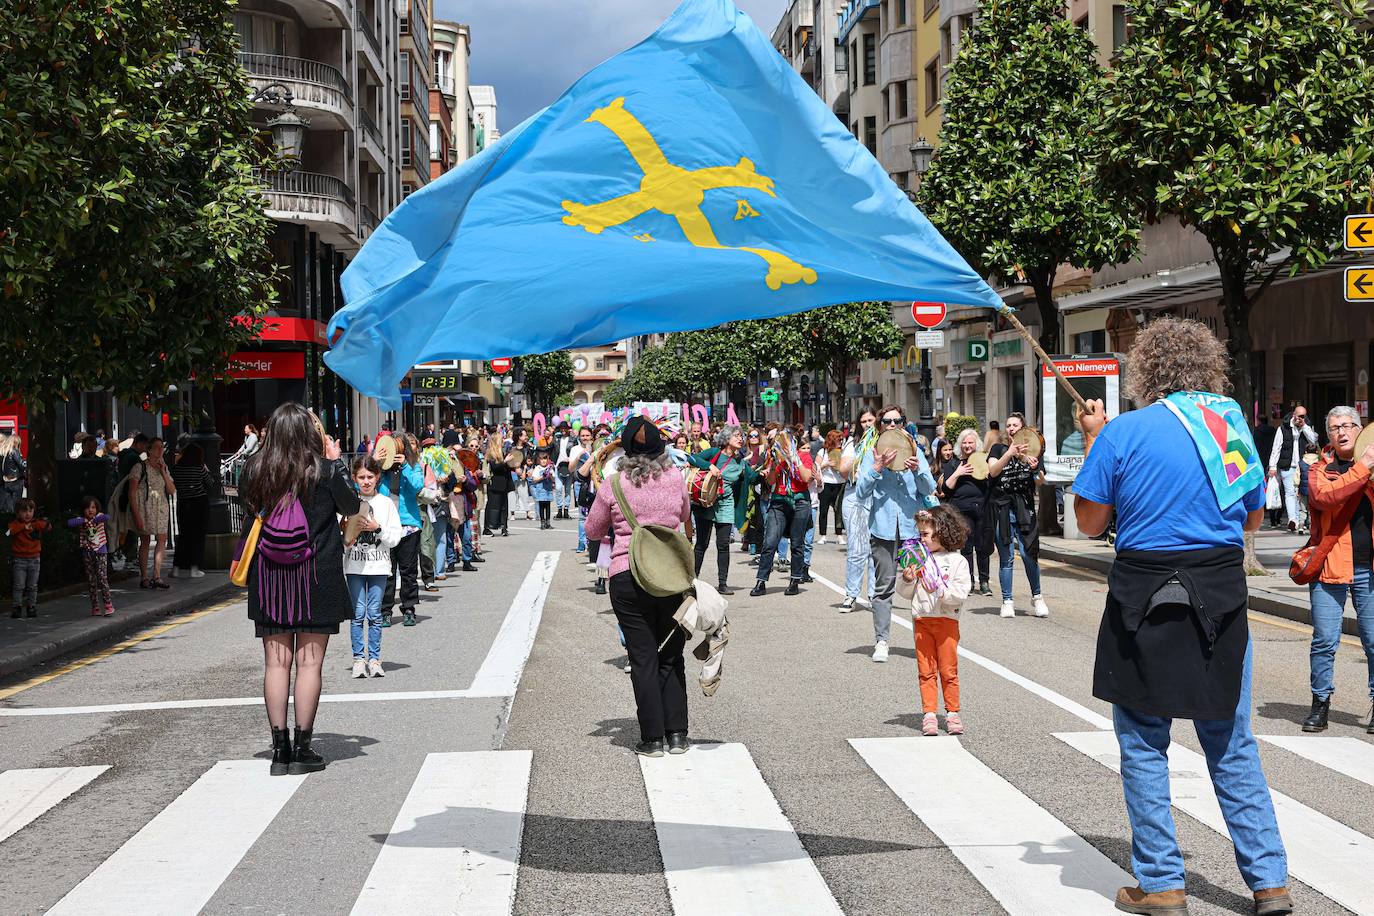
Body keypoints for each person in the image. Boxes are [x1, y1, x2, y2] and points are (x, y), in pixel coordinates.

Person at [1072, 317, 1291, 916]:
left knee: (1143, 742)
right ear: (1208, 367)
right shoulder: (1229, 427)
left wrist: (1096, 439)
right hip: (1220, 595)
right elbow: (1253, 520)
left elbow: (1090, 524)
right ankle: (1270, 883)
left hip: (1143, 594)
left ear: (1147, 369)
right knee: (1231, 740)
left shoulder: (1123, 432)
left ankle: (1164, 884)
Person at [238, 403, 360, 777]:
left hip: (270, 574)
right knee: (309, 664)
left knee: (276, 663)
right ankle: (303, 748)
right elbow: (353, 506)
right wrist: (335, 461)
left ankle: (279, 750)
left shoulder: (254, 469)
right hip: (316, 573)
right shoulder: (323, 471)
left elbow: (247, 508)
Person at [584, 417, 693, 758]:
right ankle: (677, 734)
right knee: (671, 655)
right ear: (662, 449)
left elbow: (592, 530)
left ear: (627, 451)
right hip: (671, 576)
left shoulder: (613, 484)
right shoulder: (676, 478)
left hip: (627, 574)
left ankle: (653, 738)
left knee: (642, 657)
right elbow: (686, 513)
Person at [1299, 405, 1374, 736]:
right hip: (1330, 566)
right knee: (1325, 640)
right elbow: (1325, 498)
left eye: (1348, 425)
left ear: (1360, 429)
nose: (1342, 432)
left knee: (1373, 641)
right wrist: (1363, 468)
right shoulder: (1318, 468)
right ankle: (1320, 704)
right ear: (1327, 435)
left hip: (1368, 569)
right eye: (1334, 428)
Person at [854, 405, 937, 661]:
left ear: (903, 423)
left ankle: (924, 641)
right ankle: (882, 641)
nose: (892, 425)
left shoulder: (915, 450)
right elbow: (860, 493)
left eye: (897, 421)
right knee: (884, 586)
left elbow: (929, 488)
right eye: (887, 422)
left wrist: (917, 470)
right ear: (880, 426)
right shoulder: (872, 453)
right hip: (883, 528)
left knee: (921, 585)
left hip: (913, 530)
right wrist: (877, 468)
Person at [896, 505, 971, 736]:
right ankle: (929, 713)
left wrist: (941, 592)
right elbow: (904, 592)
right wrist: (908, 579)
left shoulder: (957, 561)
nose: (922, 538)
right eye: (920, 534)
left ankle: (952, 713)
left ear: (942, 532)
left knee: (948, 670)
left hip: (947, 621)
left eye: (926, 534)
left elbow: (961, 592)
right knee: (926, 669)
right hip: (922, 620)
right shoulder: (919, 558)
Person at [344, 454, 403, 680]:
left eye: (370, 476)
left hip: (378, 566)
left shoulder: (386, 503)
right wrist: (349, 533)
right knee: (358, 614)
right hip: (355, 567)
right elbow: (343, 539)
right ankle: (359, 659)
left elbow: (395, 538)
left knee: (375, 615)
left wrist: (377, 528)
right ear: (354, 478)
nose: (366, 481)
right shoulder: (348, 504)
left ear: (378, 477)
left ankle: (375, 659)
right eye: (361, 477)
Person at [987, 413, 1049, 618]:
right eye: (1008, 425)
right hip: (1003, 508)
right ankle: (1007, 600)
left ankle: (1037, 596)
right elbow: (993, 471)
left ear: (1022, 428)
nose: (1011, 428)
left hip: (1024, 508)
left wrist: (1034, 469)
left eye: (1015, 425)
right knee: (1006, 558)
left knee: (1028, 554)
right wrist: (1010, 453)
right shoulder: (998, 449)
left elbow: (1040, 481)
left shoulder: (1033, 449)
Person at [685, 424, 758, 595]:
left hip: (725, 504)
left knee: (723, 544)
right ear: (726, 439)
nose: (741, 439)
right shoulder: (713, 453)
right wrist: (709, 466)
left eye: (741, 436)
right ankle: (692, 582)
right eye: (736, 436)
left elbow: (753, 478)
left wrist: (767, 470)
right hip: (705, 503)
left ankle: (723, 584)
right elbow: (691, 459)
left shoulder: (740, 462)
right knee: (701, 544)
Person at [750, 430, 813, 597]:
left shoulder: (803, 455)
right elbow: (771, 481)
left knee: (797, 543)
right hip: (779, 501)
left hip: (800, 501)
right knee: (769, 541)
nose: (782, 444)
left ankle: (795, 580)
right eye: (779, 441)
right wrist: (772, 467)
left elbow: (806, 477)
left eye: (785, 441)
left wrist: (794, 458)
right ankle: (761, 581)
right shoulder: (775, 457)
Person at [940, 429, 993, 596]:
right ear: (960, 445)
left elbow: (992, 478)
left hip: (982, 508)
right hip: (961, 510)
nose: (967, 445)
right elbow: (946, 488)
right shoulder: (954, 463)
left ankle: (984, 582)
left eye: (970, 442)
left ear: (976, 444)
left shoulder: (983, 460)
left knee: (983, 546)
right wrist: (958, 473)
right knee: (966, 547)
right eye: (964, 442)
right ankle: (968, 581)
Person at [379, 433, 424, 627]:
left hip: (409, 526)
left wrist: (404, 465)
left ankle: (409, 609)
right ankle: (385, 611)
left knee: (408, 571)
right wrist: (376, 462)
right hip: (385, 526)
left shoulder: (413, 467)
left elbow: (417, 486)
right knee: (387, 572)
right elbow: (360, 484)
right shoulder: (380, 471)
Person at [839, 409, 878, 610]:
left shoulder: (883, 442)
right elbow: (843, 470)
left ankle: (873, 595)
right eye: (863, 421)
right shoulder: (853, 444)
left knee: (874, 549)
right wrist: (861, 454)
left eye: (871, 420)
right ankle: (851, 594)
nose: (867, 424)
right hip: (856, 496)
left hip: (877, 497)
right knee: (857, 548)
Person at [130, 437, 176, 589]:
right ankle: (144, 577)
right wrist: (136, 514)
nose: (160, 450)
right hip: (145, 506)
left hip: (161, 506)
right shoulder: (140, 467)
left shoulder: (163, 467)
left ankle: (157, 575)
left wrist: (163, 471)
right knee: (145, 541)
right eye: (156, 447)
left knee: (162, 539)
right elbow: (132, 492)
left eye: (161, 447)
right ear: (149, 450)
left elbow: (171, 490)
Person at [1268, 406, 1317, 532]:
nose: (1301, 418)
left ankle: (1302, 520)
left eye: (1303, 416)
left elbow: (1313, 440)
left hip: (1303, 465)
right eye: (1299, 416)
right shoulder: (1283, 428)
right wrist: (1272, 466)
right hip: (1287, 465)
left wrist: (1304, 427)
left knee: (1301, 494)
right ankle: (1293, 520)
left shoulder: (1307, 426)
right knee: (1290, 493)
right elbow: (1276, 447)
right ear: (1293, 414)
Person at [170, 443, 213, 579]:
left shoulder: (177, 469)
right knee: (198, 536)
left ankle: (176, 568)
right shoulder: (199, 468)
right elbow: (210, 483)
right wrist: (206, 470)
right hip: (199, 503)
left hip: (183, 503)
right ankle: (195, 568)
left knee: (183, 536)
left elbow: (174, 484)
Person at [68, 495, 114, 617]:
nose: (90, 510)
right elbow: (70, 522)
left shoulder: (99, 517)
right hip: (88, 552)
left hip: (101, 551)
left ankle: (108, 604)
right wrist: (83, 520)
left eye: (93, 507)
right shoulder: (81, 520)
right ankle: (95, 606)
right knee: (91, 580)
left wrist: (94, 520)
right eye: (87, 508)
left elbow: (106, 517)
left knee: (102, 577)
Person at [7, 498, 47, 618]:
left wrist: (38, 525)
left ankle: (31, 607)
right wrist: (23, 527)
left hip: (35, 559)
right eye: (24, 511)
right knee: (19, 585)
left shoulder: (35, 523)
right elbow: (9, 532)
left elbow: (47, 527)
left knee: (32, 586)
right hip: (19, 559)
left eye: (30, 511)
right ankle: (17, 607)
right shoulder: (14, 525)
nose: (28, 514)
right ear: (18, 512)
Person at [815, 429, 846, 545]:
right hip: (826, 484)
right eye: (839, 439)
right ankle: (823, 535)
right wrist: (827, 464)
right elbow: (816, 468)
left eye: (842, 439)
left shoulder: (843, 451)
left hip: (840, 483)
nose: (841, 441)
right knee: (824, 510)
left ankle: (839, 535)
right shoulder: (822, 452)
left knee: (839, 511)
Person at [483, 435, 513, 537]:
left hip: (504, 482)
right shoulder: (490, 454)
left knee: (504, 506)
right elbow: (495, 467)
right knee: (493, 506)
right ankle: (488, 527)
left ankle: (504, 526)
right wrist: (504, 461)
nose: (503, 442)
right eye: (501, 440)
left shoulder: (503, 452)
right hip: (495, 483)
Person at [0, 432, 27, 514]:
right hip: (16, 480)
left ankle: (7, 519)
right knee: (16, 504)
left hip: (5, 481)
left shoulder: (3, 453)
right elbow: (22, 465)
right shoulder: (14, 451)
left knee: (7, 504)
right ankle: (14, 519)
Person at [530, 450, 557, 529]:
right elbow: (534, 479)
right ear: (539, 460)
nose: (543, 461)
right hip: (540, 490)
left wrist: (550, 475)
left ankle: (548, 522)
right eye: (541, 459)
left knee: (548, 506)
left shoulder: (549, 468)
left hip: (548, 490)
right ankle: (542, 522)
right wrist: (542, 477)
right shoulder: (537, 468)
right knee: (541, 506)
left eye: (545, 459)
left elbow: (553, 479)